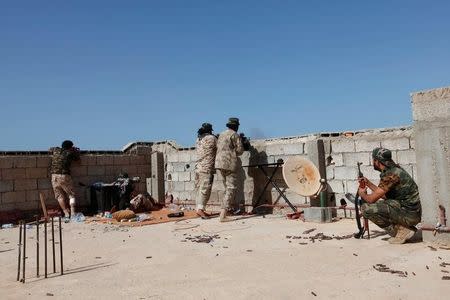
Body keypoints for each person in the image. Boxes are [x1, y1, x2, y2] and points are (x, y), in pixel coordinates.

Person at [358, 147, 421, 244]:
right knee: (384, 203)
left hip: (409, 214)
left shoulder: (390, 175)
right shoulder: (394, 170)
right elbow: (384, 195)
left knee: (366, 208)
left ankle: (402, 231)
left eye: (373, 160)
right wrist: (368, 183)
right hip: (411, 211)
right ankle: (404, 228)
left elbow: (371, 200)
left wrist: (362, 194)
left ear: (377, 161)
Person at [215, 117, 244, 222]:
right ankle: (223, 215)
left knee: (225, 188)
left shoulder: (221, 134)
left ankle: (226, 211)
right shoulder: (234, 135)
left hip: (218, 164)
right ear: (236, 126)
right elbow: (240, 150)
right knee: (230, 188)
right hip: (229, 164)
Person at [50, 140, 81, 218]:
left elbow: (50, 149)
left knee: (59, 196)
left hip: (54, 176)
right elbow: (79, 162)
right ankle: (73, 213)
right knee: (71, 195)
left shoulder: (56, 150)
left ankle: (66, 213)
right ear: (70, 147)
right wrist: (76, 152)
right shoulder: (70, 153)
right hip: (64, 176)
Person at [194, 122, 217, 219]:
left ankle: (198, 209)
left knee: (199, 189)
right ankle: (200, 210)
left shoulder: (198, 139)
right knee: (205, 189)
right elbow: (219, 147)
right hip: (207, 168)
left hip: (198, 167)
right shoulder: (212, 138)